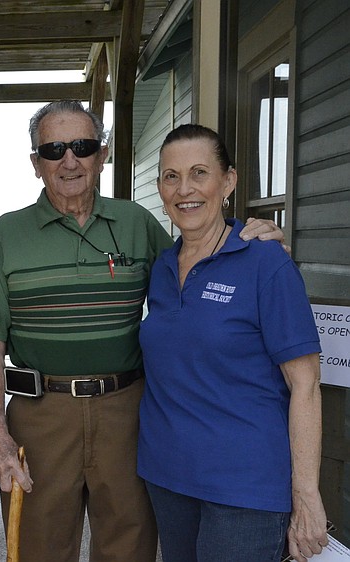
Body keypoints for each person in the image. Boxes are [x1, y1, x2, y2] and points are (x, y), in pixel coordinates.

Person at [0, 100, 287, 562]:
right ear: (35, 163)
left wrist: (254, 237)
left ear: (101, 155)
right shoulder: (7, 233)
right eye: (54, 149)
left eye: (82, 146)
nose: (69, 160)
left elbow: (200, 265)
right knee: (39, 549)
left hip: (129, 414)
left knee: (130, 546)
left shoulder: (137, 223)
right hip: (40, 414)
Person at [137, 124, 328, 562]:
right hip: (168, 478)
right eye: (171, 176)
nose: (184, 189)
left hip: (244, 489)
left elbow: (306, 385)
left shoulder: (266, 264)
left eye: (199, 173)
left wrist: (307, 496)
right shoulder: (162, 269)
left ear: (228, 182)